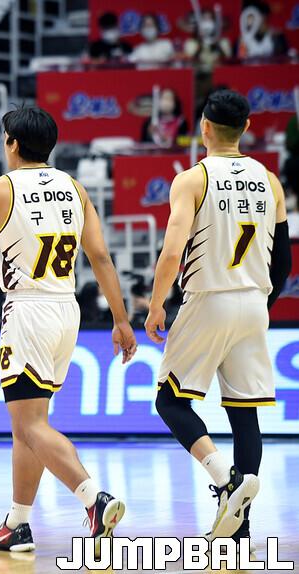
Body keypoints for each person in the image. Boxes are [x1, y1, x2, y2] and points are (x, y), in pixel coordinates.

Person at [0, 104, 137, 554]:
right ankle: (17, 524)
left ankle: (93, 498)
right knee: (28, 425)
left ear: (12, 144)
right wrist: (120, 318)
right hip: (66, 310)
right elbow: (100, 257)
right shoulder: (74, 187)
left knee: (30, 425)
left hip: (28, 310)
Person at [145, 89, 291, 545]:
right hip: (254, 302)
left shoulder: (192, 180)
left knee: (170, 402)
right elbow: (284, 262)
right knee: (245, 415)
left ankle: (226, 480)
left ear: (204, 127)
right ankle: (239, 527)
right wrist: (260, 306)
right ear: (246, 127)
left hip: (209, 298)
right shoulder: (270, 181)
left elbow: (172, 252)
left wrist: (156, 304)